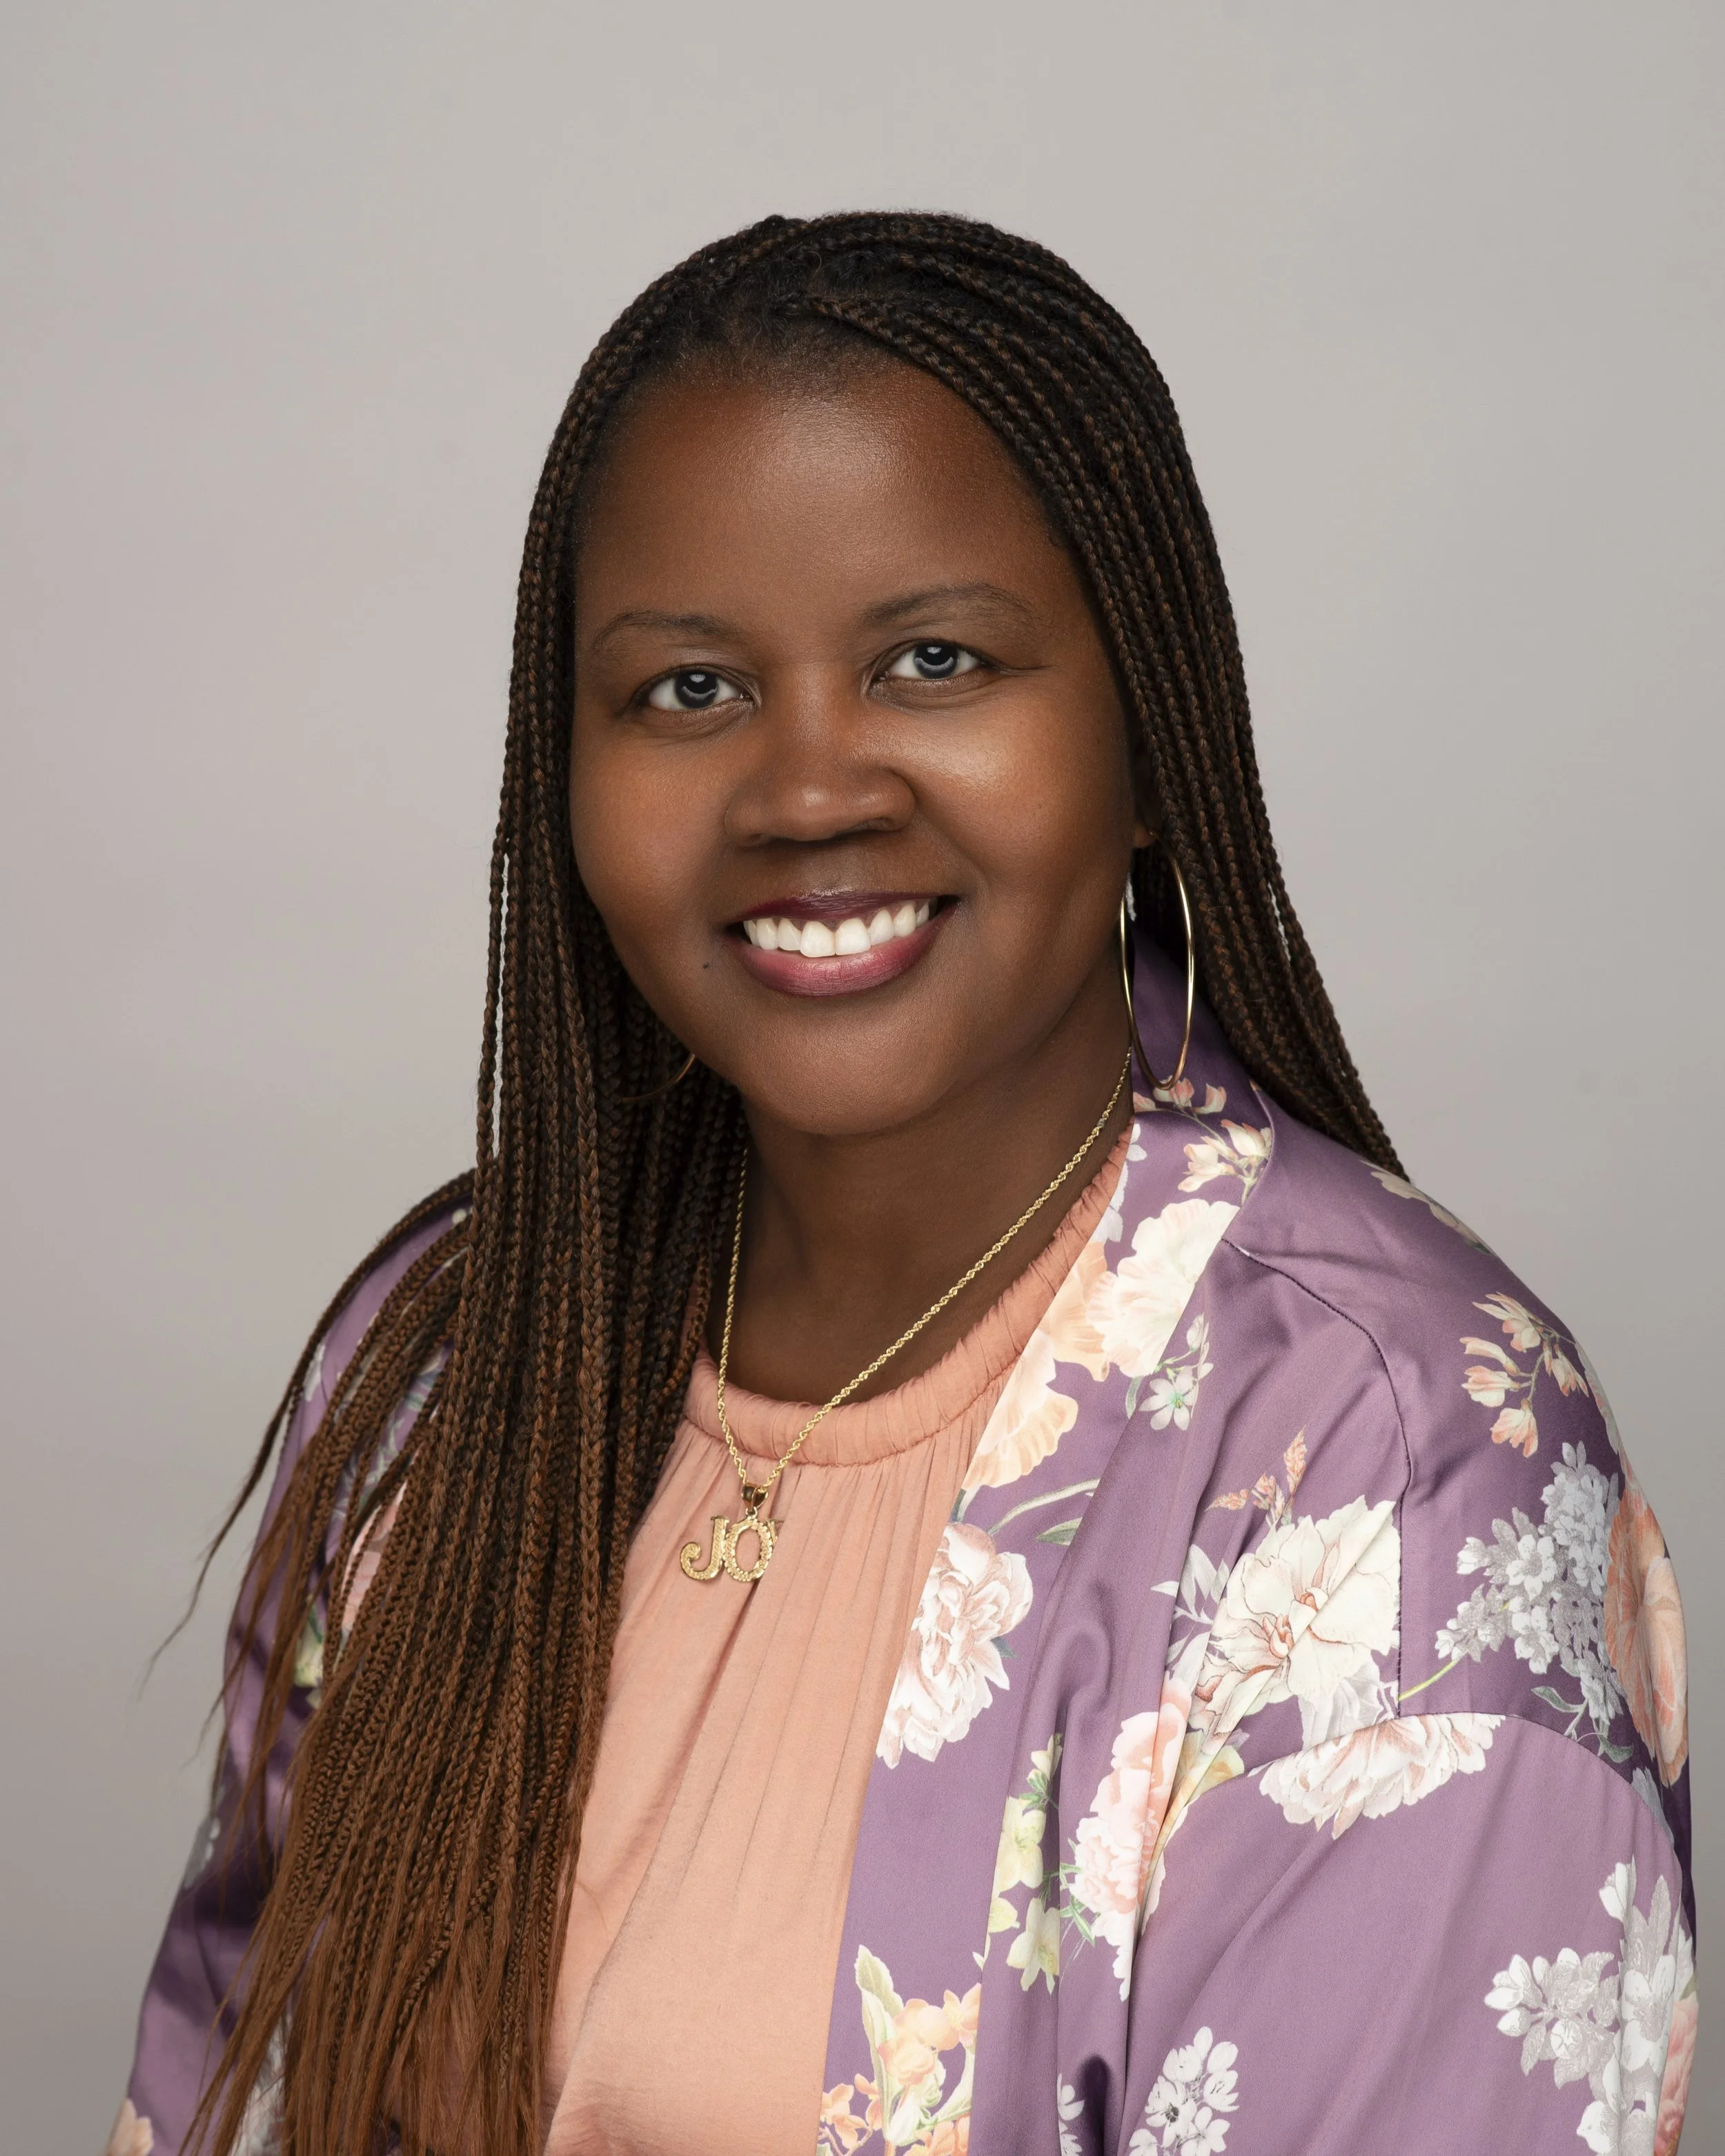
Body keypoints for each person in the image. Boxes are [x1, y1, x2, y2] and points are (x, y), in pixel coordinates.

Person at [108, 213, 1695, 2156]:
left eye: (932, 659)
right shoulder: (457, 1356)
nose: (802, 789)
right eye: (687, 690)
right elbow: (228, 2089)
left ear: (1148, 740)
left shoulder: (1385, 1474)